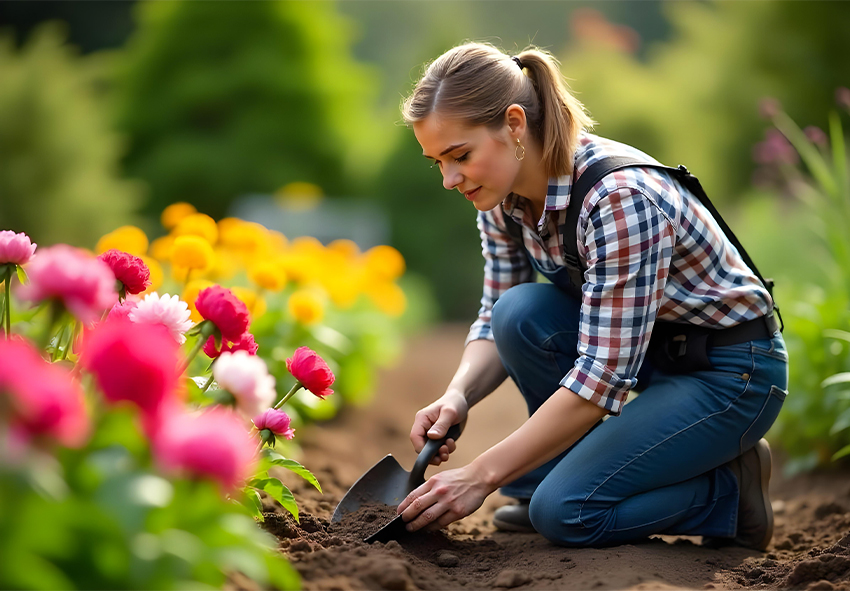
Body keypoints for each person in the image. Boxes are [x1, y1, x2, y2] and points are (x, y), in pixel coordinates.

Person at [394, 42, 789, 550]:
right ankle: (553, 476)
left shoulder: (619, 199)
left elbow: (602, 378)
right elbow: (495, 314)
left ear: (514, 125)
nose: (450, 179)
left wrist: (481, 475)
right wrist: (457, 394)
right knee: (520, 313)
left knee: (565, 513)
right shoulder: (499, 198)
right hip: (650, 357)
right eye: (437, 163)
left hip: (728, 371)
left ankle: (729, 491)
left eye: (460, 156)